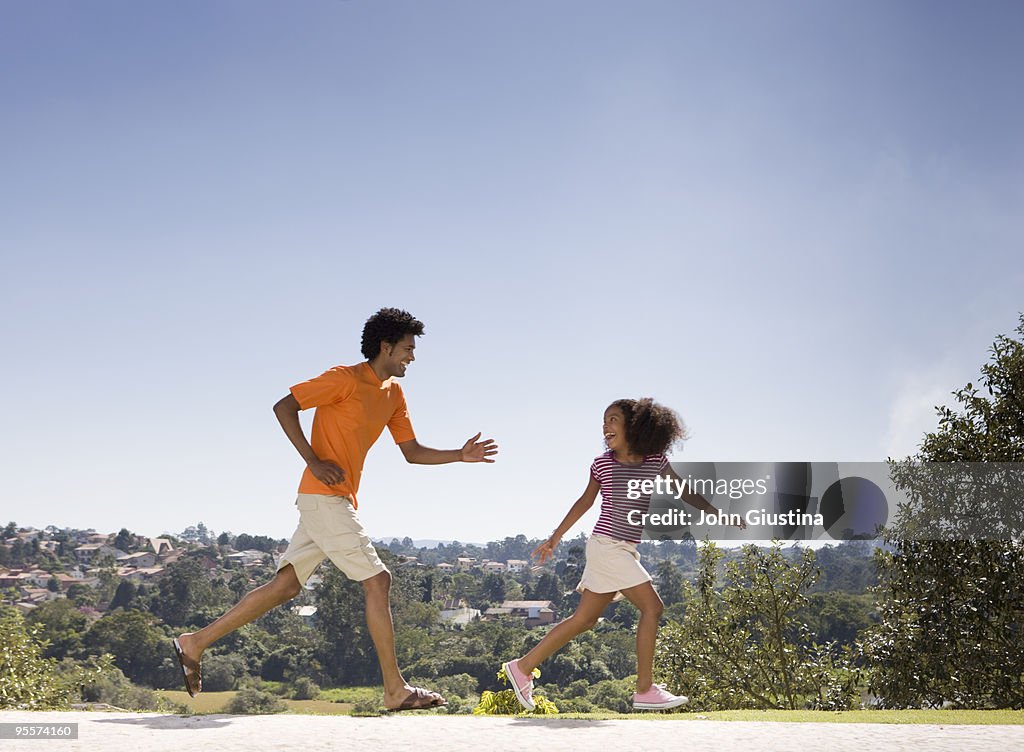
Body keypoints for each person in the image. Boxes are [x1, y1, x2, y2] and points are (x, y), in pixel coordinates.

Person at [173, 308, 497, 711]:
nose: (412, 357)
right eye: (408, 349)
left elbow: (411, 453)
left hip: (332, 500)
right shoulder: (344, 379)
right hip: (323, 497)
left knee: (286, 587)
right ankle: (395, 690)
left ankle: (194, 642)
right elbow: (284, 407)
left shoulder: (394, 394)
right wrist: (312, 460)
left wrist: (459, 456)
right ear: (386, 346)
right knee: (378, 581)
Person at [500, 397, 744, 711]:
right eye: (604, 421)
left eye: (613, 419)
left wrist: (717, 513)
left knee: (584, 620)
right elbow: (585, 502)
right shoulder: (602, 462)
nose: (605, 426)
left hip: (624, 548)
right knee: (653, 608)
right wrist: (554, 538)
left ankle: (521, 668)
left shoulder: (655, 461)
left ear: (635, 425)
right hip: (606, 546)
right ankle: (644, 689)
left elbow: (684, 492)